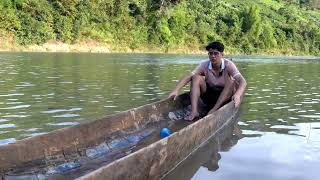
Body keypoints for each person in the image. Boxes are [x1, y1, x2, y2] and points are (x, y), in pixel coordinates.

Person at [168, 41, 247, 121]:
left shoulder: (228, 65)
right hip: (209, 95)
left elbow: (243, 82)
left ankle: (214, 109)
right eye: (210, 53)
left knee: (232, 82)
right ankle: (194, 111)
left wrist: (237, 95)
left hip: (225, 96)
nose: (213, 56)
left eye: (216, 53)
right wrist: (176, 90)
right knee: (196, 77)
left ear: (222, 55)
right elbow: (190, 75)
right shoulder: (204, 64)